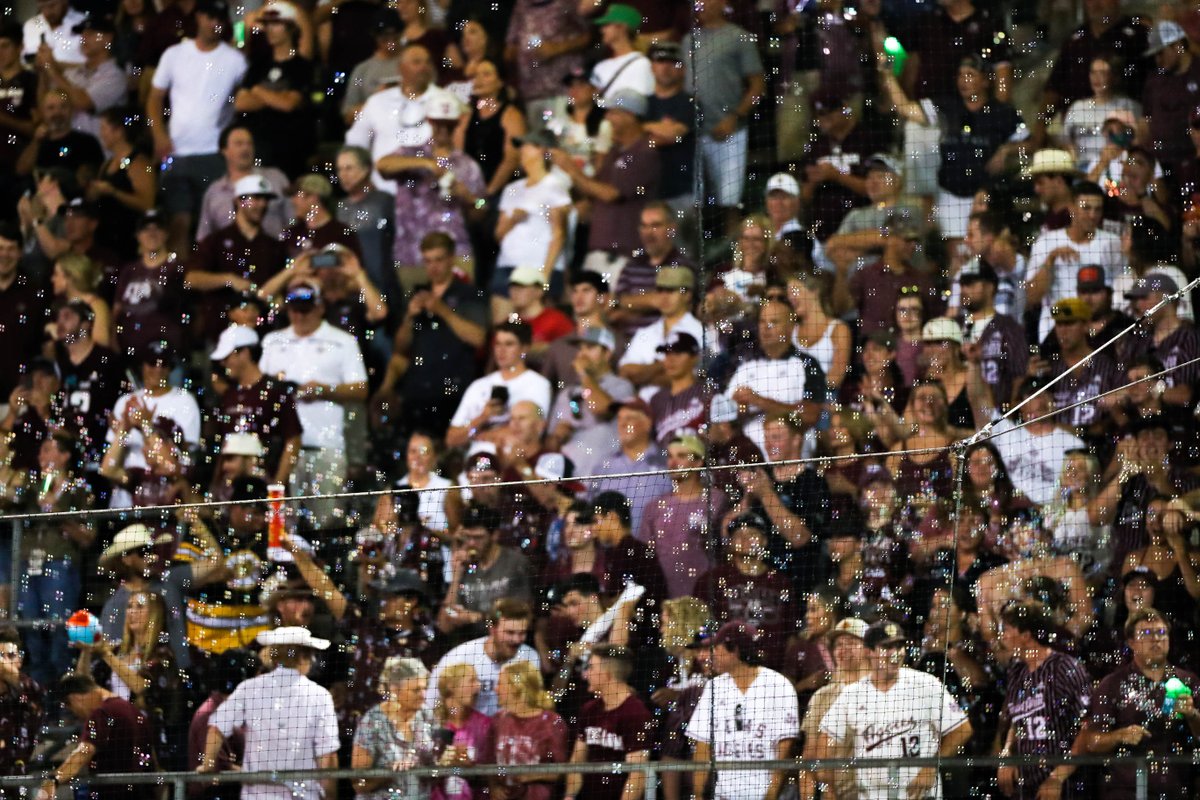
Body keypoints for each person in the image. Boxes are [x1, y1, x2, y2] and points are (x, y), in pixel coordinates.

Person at [816, 620, 972, 800]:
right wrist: (829, 788)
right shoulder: (852, 694)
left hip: (920, 796)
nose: (895, 654)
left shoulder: (926, 684)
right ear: (869, 652)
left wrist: (931, 766)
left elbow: (962, 729)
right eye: (886, 647)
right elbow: (824, 743)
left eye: (899, 646)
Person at [259, 280, 368, 526]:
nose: (299, 316)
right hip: (282, 447)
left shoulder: (343, 341)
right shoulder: (272, 341)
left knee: (326, 521)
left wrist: (324, 390)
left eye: (305, 310)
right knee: (284, 523)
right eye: (294, 309)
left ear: (319, 307)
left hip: (325, 445)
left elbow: (361, 389)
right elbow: (260, 388)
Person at [146, 0, 247, 252]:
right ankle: (179, 284)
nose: (214, 24)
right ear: (199, 17)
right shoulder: (174, 54)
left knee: (215, 223)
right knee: (177, 222)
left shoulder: (235, 60)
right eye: (210, 17)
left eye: (219, 19)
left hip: (214, 152)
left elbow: (243, 100)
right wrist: (158, 134)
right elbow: (154, 97)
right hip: (176, 151)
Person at [200, 627, 339, 800]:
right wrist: (330, 796)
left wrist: (207, 764)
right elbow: (327, 754)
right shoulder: (320, 696)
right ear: (303, 658)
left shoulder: (249, 688)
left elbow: (217, 727)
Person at [1080, 608, 1200, 800]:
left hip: (1177, 790)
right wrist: (1120, 735)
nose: (1156, 639)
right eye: (1146, 633)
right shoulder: (1112, 684)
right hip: (1126, 792)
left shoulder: (1189, 681)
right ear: (1131, 643)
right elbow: (1092, 742)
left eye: (1161, 632)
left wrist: (1192, 715)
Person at [550, 88, 660, 271]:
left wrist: (570, 168)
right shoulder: (613, 152)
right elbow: (593, 188)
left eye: (613, 113)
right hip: (598, 251)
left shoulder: (645, 153)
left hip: (623, 255)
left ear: (630, 116)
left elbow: (611, 194)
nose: (607, 118)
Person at [686, 620, 798, 800]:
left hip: (770, 796)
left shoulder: (778, 686)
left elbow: (784, 750)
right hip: (724, 796)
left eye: (717, 648)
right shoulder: (714, 687)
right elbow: (702, 746)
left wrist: (771, 795)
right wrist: (698, 795)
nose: (710, 655)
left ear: (735, 650)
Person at [682, 0, 764, 230]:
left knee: (730, 200)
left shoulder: (740, 37)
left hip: (730, 129)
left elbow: (757, 86)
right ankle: (693, 253)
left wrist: (735, 117)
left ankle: (734, 254)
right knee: (694, 200)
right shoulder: (689, 40)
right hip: (694, 131)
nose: (702, 6)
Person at [996, 601, 1092, 800]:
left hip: (1065, 786)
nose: (1001, 635)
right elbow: (1017, 718)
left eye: (1006, 629)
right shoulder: (1016, 670)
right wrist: (1007, 753)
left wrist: (1057, 777)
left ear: (1026, 635)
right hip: (1024, 787)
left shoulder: (1064, 668)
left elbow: (1087, 727)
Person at [41, 673, 154, 800]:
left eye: (72, 709)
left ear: (74, 698)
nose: (78, 715)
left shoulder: (102, 713)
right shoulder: (133, 710)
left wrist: (54, 779)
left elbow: (85, 751)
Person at [564, 644, 653, 800]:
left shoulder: (636, 714)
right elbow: (577, 761)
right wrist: (570, 796)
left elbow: (636, 774)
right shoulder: (589, 710)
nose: (586, 674)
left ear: (607, 674)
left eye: (591, 668)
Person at [446, 321, 551, 448]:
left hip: (514, 460)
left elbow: (533, 430)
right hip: (474, 463)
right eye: (497, 344)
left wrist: (482, 435)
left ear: (524, 348)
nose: (501, 350)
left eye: (509, 344)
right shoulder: (479, 385)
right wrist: (483, 418)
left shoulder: (538, 384)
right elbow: (451, 439)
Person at [425, 599, 540, 715]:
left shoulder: (530, 657)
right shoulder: (459, 658)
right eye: (510, 633)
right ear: (492, 629)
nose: (516, 640)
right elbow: (431, 703)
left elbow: (531, 705)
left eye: (522, 633)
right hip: (467, 730)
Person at [796, 618, 868, 800]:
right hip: (834, 795)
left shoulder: (882, 692)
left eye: (852, 643)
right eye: (839, 645)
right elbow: (809, 758)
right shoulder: (822, 697)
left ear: (869, 650)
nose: (843, 650)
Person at [351, 656, 438, 800]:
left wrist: (448, 760)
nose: (423, 696)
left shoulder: (426, 714)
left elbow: (436, 760)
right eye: (416, 690)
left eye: (424, 689)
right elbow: (358, 783)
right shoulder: (372, 721)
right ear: (394, 690)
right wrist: (390, 771)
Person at [487, 660, 569, 800]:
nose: (496, 689)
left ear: (516, 687)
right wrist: (494, 787)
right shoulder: (497, 720)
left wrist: (533, 774)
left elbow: (563, 770)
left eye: (500, 683)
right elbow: (489, 762)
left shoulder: (551, 722)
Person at [194, 124, 291, 242]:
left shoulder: (276, 178)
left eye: (249, 144)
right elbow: (204, 238)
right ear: (224, 151)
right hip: (229, 256)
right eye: (239, 144)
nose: (245, 148)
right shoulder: (215, 192)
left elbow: (294, 222)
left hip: (274, 254)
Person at [432, 663, 491, 800]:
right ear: (451, 687)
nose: (478, 686)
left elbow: (491, 775)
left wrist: (470, 769)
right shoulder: (430, 724)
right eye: (472, 681)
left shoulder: (484, 724)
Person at [0, 624, 46, 794]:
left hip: (17, 781)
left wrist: (4, 668)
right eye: (0, 655)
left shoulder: (30, 690)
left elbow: (29, 690)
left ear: (20, 660)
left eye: (10, 655)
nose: (4, 660)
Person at [587, 4, 652, 103]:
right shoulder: (600, 66)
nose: (602, 30)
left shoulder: (642, 64)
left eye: (607, 25)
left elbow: (638, 103)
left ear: (622, 27)